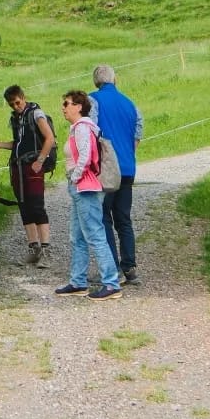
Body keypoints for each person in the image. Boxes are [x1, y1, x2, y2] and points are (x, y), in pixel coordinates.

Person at [54, 90, 122, 299]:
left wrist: (75, 176)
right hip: (80, 187)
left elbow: (85, 155)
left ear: (79, 106)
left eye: (67, 104)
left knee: (95, 234)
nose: (63, 108)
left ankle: (111, 283)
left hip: (85, 188)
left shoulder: (83, 128)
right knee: (77, 236)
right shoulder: (79, 128)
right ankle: (78, 281)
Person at [0, 85, 55, 266]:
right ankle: (34, 249)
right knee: (24, 206)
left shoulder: (36, 114)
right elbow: (18, 142)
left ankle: (45, 251)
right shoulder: (15, 118)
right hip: (17, 167)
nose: (15, 106)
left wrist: (39, 161)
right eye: (11, 104)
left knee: (37, 206)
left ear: (23, 97)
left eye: (17, 102)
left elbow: (49, 138)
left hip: (32, 166)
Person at [90, 63, 143, 285]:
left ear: (96, 82)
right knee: (124, 218)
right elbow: (137, 134)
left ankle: (112, 267)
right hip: (128, 167)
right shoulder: (130, 104)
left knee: (103, 218)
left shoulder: (93, 101)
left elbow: (91, 132)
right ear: (115, 79)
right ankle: (129, 266)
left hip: (107, 169)